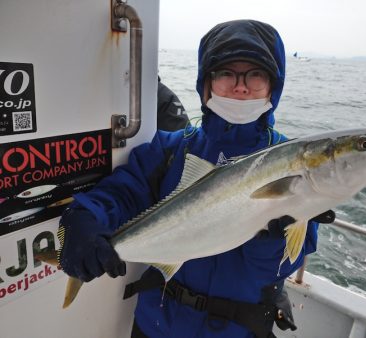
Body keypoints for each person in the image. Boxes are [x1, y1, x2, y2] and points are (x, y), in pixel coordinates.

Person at [58, 19, 334, 338]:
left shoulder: (292, 164)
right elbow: (122, 194)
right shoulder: (171, 148)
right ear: (206, 83)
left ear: (274, 84)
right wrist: (84, 217)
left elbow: (277, 269)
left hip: (237, 331)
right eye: (225, 72)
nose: (240, 86)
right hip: (156, 324)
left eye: (256, 74)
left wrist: (269, 238)